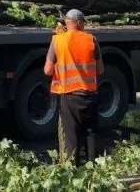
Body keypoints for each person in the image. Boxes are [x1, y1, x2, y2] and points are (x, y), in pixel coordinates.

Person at [43, 9, 104, 166]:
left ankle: (74, 174)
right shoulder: (92, 40)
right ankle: (93, 170)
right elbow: (100, 70)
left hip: (69, 96)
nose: (84, 26)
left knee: (72, 137)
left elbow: (47, 70)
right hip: (90, 94)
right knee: (91, 134)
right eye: (83, 23)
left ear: (67, 23)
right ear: (78, 23)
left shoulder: (57, 40)